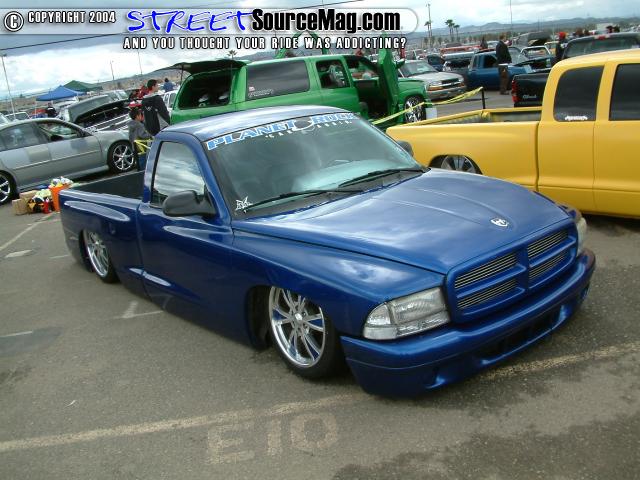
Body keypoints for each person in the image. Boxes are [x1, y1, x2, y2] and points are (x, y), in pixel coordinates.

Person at [127, 107, 152, 171]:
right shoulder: (139, 125)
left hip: (134, 147)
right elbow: (142, 135)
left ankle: (139, 172)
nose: (141, 116)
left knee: (138, 163)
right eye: (140, 115)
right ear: (137, 116)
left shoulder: (131, 125)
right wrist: (149, 134)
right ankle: (143, 174)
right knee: (143, 163)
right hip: (141, 147)